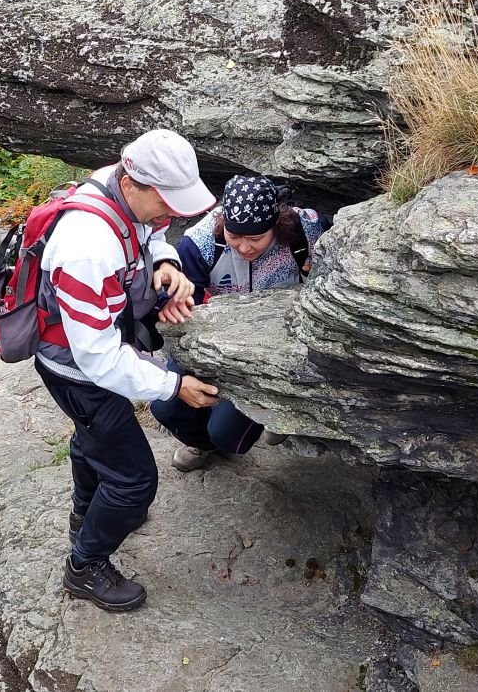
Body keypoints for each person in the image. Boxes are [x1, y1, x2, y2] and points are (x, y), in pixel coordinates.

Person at [36, 128, 222, 613]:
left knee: (92, 439)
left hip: (89, 359)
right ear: (132, 183)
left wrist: (165, 263)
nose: (172, 216)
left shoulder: (115, 185)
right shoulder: (86, 245)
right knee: (134, 482)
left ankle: (85, 516)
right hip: (78, 372)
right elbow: (98, 359)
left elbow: (150, 233)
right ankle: (85, 567)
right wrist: (172, 386)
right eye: (166, 203)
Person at [149, 174, 327, 471]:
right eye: (235, 237)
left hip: (280, 342)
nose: (244, 248)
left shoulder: (304, 230)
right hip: (218, 335)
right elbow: (183, 302)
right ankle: (201, 443)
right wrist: (174, 303)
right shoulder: (201, 243)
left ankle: (279, 414)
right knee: (166, 407)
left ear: (276, 225)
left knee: (228, 434)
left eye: (256, 238)